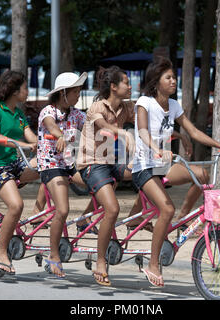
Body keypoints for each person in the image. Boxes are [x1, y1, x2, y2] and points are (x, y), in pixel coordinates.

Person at [132, 57, 220, 287]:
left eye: (174, 77)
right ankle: (153, 263)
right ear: (156, 81)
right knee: (166, 208)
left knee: (202, 176)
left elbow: (194, 132)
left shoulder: (175, 106)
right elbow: (142, 131)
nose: (173, 81)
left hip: (164, 165)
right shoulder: (144, 102)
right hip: (144, 167)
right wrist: (157, 149)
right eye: (168, 77)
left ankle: (181, 220)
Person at [76, 66, 140, 286]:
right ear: (114, 87)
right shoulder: (96, 107)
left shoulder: (125, 108)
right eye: (126, 83)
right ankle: (101, 262)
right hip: (93, 164)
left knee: (150, 175)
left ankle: (138, 215)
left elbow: (144, 121)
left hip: (113, 162)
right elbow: (103, 125)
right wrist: (123, 133)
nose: (130, 86)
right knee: (112, 209)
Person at [0, 70, 40, 275]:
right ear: (15, 91)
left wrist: (45, 143)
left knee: (47, 167)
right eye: (25, 88)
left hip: (14, 166)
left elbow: (30, 136)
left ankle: (38, 214)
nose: (27, 91)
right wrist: (23, 145)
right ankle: (2, 252)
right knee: (16, 205)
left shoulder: (19, 114)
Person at [36, 72, 89, 278]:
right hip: (50, 165)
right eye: (75, 91)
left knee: (103, 186)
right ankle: (54, 255)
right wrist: (60, 136)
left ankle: (84, 220)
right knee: (63, 209)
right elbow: (51, 125)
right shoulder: (47, 111)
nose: (78, 94)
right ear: (63, 93)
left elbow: (92, 126)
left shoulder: (76, 114)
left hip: (69, 164)